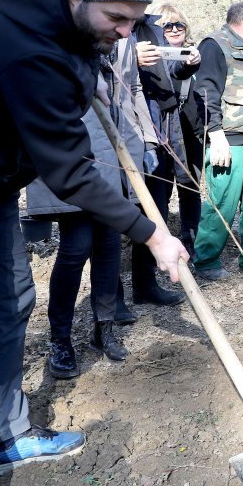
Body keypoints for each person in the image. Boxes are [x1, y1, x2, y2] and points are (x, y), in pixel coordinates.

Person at [0, 0, 186, 486]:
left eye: (136, 19)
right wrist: (151, 235)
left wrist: (90, 63)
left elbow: (75, 53)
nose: (127, 31)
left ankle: (4, 435)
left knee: (10, 301)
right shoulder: (27, 49)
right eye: (117, 19)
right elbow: (71, 173)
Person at [26, 37, 152, 373]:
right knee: (76, 246)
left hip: (114, 148)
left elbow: (131, 92)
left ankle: (104, 327)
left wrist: (146, 142)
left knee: (109, 245)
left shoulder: (122, 40)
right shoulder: (63, 33)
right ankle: (61, 339)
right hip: (75, 151)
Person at [191, 1, 243, 280]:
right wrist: (215, 135)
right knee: (223, 202)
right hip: (229, 141)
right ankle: (206, 262)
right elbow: (205, 92)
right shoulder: (214, 46)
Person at [125, 6, 201, 304]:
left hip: (163, 129)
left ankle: (145, 286)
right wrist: (131, 56)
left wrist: (189, 64)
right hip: (136, 129)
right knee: (148, 206)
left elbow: (169, 72)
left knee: (157, 203)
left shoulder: (150, 29)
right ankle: (132, 289)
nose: (171, 31)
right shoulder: (120, 31)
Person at [148, 3, 205, 261]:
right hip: (160, 133)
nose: (173, 29)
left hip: (190, 132)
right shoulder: (150, 58)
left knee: (190, 190)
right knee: (160, 191)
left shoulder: (195, 55)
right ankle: (159, 246)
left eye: (178, 25)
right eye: (167, 25)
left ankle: (190, 242)